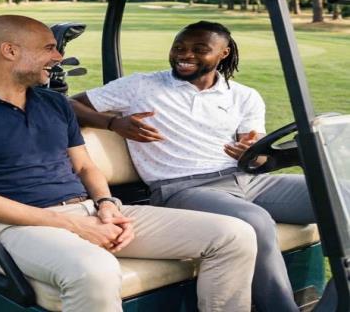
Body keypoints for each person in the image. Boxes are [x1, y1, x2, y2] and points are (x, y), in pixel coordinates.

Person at [0, 15, 257, 312]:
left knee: (234, 235)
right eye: (48, 48)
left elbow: (85, 167)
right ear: (9, 51)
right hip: (16, 226)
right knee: (95, 270)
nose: (58, 57)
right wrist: (73, 226)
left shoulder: (54, 104)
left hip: (88, 210)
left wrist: (107, 204)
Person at [71, 20, 315, 312]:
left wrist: (251, 154)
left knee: (338, 195)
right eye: (179, 47)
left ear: (223, 53)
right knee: (256, 221)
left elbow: (257, 157)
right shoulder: (140, 86)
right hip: (184, 188)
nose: (185, 55)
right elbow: (69, 105)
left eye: (200, 49)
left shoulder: (244, 95)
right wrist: (113, 123)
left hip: (246, 179)